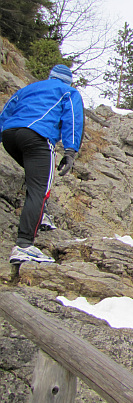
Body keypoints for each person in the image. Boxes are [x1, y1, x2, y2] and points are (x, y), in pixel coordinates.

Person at [0, 64, 84, 264]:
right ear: (68, 81)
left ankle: (41, 215)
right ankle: (24, 245)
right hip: (37, 136)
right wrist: (71, 151)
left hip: (10, 136)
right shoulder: (68, 92)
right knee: (40, 188)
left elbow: (6, 112)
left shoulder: (27, 89)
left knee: (35, 179)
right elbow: (73, 118)